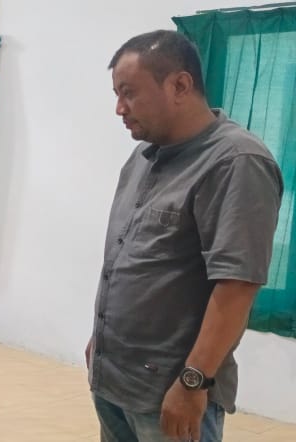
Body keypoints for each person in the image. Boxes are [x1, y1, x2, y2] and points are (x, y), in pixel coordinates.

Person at [88, 30, 282, 442]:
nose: (119, 108)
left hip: (171, 394)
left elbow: (237, 286)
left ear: (179, 85)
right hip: (114, 378)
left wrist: (193, 382)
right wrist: (101, 342)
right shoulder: (143, 156)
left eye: (129, 93)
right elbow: (134, 262)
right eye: (116, 94)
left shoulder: (235, 162)